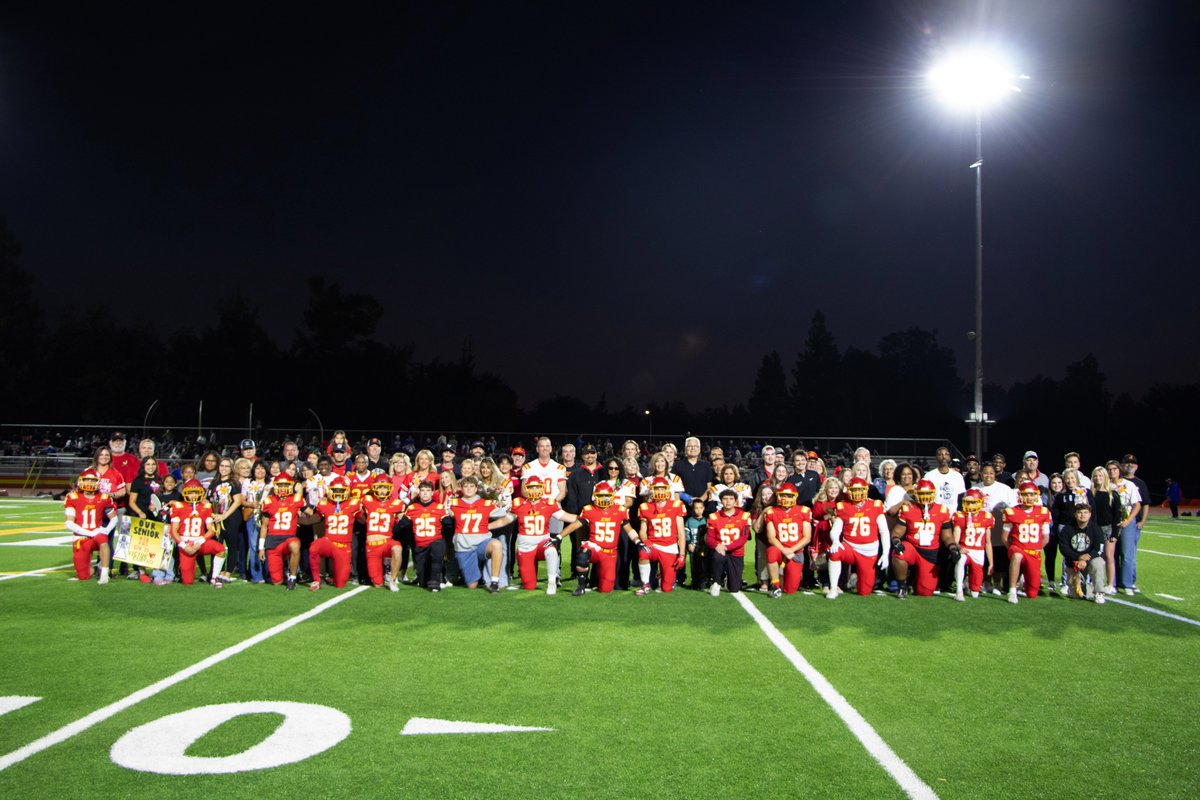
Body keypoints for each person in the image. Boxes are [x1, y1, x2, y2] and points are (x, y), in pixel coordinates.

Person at [561, 482, 636, 595]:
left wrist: (638, 541)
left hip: (610, 553)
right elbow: (576, 524)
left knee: (606, 589)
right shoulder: (590, 509)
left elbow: (629, 529)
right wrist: (559, 536)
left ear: (612, 496)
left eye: (606, 496)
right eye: (600, 496)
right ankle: (581, 586)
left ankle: (598, 582)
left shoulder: (620, 510)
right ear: (595, 496)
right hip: (595, 548)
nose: (603, 499)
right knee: (583, 553)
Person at [510, 477, 578, 594]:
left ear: (542, 488)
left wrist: (589, 517)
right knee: (529, 586)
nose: (534, 490)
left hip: (542, 543)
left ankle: (552, 582)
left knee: (551, 549)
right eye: (531, 487)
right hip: (525, 547)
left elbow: (568, 517)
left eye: (537, 487)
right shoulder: (519, 504)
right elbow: (505, 520)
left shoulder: (548, 503)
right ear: (526, 489)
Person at [826, 477, 888, 600]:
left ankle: (854, 581)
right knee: (835, 551)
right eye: (854, 490)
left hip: (869, 551)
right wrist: (836, 541)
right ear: (849, 491)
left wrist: (885, 553)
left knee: (865, 591)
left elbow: (884, 531)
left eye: (860, 490)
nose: (857, 493)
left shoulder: (875, 505)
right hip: (850, 547)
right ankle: (833, 588)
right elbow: (835, 529)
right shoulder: (843, 506)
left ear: (866, 490)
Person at [447, 476, 512, 592]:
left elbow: (507, 517)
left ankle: (494, 582)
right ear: (461, 488)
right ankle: (478, 576)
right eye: (465, 486)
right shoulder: (453, 504)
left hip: (482, 542)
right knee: (472, 586)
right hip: (464, 546)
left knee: (496, 545)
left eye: (472, 486)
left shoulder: (485, 504)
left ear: (476, 488)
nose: (468, 489)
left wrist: (488, 526)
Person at [890, 479, 952, 599]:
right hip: (912, 547)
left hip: (931, 553)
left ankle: (915, 581)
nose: (925, 497)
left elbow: (947, 535)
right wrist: (896, 541)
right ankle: (902, 587)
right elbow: (897, 531)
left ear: (933, 494)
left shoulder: (942, 510)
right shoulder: (909, 508)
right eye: (922, 494)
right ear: (916, 494)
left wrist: (952, 546)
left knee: (924, 592)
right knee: (899, 553)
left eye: (928, 494)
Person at [169, 479, 226, 588]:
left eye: (195, 492)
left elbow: (211, 529)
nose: (193, 495)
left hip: (200, 542)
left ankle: (215, 577)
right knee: (188, 581)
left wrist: (200, 542)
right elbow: (173, 530)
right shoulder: (178, 506)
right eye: (190, 492)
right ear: (185, 493)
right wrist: (184, 546)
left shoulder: (206, 507)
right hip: (185, 543)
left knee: (220, 549)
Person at [1002, 482, 1053, 604]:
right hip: (1018, 548)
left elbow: (1046, 538)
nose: (1029, 498)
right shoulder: (1012, 512)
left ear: (1037, 496)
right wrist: (1013, 549)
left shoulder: (1043, 512)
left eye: (1032, 494)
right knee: (1017, 556)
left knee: (1032, 593)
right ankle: (1012, 591)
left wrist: (1036, 549)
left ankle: (1025, 585)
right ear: (1020, 495)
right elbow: (1004, 537)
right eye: (1026, 495)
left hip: (1034, 552)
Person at [306, 475, 360, 590]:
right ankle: (316, 580)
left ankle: (335, 578)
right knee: (314, 547)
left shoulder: (354, 504)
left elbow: (363, 520)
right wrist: (296, 519)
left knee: (340, 584)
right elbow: (315, 518)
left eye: (341, 490)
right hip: (329, 542)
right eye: (335, 490)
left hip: (344, 547)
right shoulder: (325, 504)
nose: (338, 493)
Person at [635, 477, 687, 596]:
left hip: (670, 547)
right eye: (657, 488)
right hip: (653, 545)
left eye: (662, 488)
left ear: (667, 490)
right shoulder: (645, 507)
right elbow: (642, 530)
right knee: (643, 552)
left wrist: (682, 554)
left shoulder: (676, 505)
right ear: (651, 490)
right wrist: (645, 540)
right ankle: (645, 584)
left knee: (666, 588)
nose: (659, 491)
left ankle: (661, 575)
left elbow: (681, 532)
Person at [64, 469, 116, 583]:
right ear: (80, 481)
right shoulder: (73, 497)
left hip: (97, 534)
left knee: (103, 540)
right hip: (81, 537)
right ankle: (96, 568)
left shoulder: (103, 497)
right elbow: (69, 523)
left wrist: (106, 530)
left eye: (92, 480)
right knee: (84, 575)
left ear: (97, 482)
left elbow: (114, 518)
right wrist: (89, 533)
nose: (89, 483)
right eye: (86, 480)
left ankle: (104, 574)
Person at [763, 483, 813, 597]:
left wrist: (791, 550)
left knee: (790, 589)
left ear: (795, 496)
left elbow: (807, 537)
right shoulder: (772, 512)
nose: (786, 499)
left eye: (789, 496)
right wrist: (784, 550)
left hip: (796, 552)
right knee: (771, 552)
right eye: (783, 495)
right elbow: (771, 537)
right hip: (780, 550)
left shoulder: (804, 511)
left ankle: (783, 579)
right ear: (778, 496)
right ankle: (775, 585)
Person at [258, 473, 305, 589]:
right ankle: (284, 573)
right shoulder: (269, 501)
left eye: (286, 485)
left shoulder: (296, 499)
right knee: (277, 582)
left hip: (288, 538)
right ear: (275, 486)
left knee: (295, 545)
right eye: (280, 485)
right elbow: (264, 526)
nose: (283, 487)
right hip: (273, 541)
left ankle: (292, 577)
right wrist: (261, 547)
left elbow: (310, 513)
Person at [402, 480, 448, 591]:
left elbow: (448, 525)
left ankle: (436, 580)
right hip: (420, 547)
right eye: (422, 490)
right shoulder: (412, 508)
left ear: (432, 493)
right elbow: (402, 526)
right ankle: (429, 577)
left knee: (437, 547)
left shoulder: (439, 507)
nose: (425, 493)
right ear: (419, 492)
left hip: (435, 542)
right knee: (423, 582)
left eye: (428, 490)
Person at [362, 474, 405, 591]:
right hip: (371, 546)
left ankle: (393, 579)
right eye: (380, 487)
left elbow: (402, 520)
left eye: (385, 487)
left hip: (386, 542)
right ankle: (384, 574)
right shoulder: (367, 500)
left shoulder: (396, 504)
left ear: (390, 488)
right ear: (375, 488)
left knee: (397, 547)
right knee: (377, 584)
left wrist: (401, 517)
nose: (382, 490)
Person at [1058, 503, 1108, 603]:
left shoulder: (1096, 529)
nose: (1083, 515)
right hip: (1073, 563)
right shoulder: (1067, 529)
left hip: (1090, 560)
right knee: (1077, 595)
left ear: (1090, 514)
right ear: (1075, 515)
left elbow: (1099, 548)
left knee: (1098, 562)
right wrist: (1078, 557)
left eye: (1085, 512)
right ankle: (1085, 588)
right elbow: (1063, 549)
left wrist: (1087, 557)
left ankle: (1099, 593)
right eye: (1079, 512)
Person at [950, 489, 995, 600]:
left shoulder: (987, 517)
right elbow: (955, 540)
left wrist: (991, 562)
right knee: (961, 560)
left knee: (975, 593)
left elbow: (988, 542)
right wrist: (960, 548)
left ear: (980, 502)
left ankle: (970, 586)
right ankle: (959, 591)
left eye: (973, 502)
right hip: (965, 549)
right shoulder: (959, 515)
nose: (970, 505)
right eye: (967, 502)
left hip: (978, 552)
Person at [706, 489, 752, 596]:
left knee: (734, 589)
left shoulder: (744, 516)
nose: (728, 501)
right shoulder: (714, 517)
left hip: (736, 552)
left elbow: (743, 538)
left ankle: (729, 579)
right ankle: (717, 582)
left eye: (731, 499)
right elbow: (709, 538)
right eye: (725, 499)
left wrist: (726, 547)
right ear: (721, 501)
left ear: (735, 501)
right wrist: (717, 546)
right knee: (717, 557)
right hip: (720, 551)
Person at [1111, 456, 1145, 595]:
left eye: (1114, 469)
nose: (1112, 472)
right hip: (1111, 522)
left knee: (1126, 554)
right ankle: (1113, 582)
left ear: (1119, 470)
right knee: (1112, 553)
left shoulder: (1129, 485)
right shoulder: (1107, 485)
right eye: (1109, 469)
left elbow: (1137, 504)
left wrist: (1129, 520)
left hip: (1126, 522)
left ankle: (1127, 584)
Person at [207, 457, 244, 582]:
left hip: (231, 518)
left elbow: (237, 501)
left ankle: (228, 571)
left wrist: (224, 515)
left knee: (231, 545)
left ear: (231, 468)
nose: (224, 468)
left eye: (227, 466)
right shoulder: (214, 482)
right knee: (218, 545)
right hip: (216, 518)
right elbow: (209, 500)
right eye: (222, 465)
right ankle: (217, 571)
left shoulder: (234, 483)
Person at [1089, 466, 1124, 596]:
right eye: (1095, 476)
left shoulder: (1112, 494)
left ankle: (1110, 584)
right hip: (1094, 528)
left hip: (1108, 529)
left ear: (1105, 477)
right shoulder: (1090, 493)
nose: (1098, 478)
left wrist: (1115, 533)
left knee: (1109, 556)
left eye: (1100, 476)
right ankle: (1096, 583)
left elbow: (1117, 515)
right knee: (1095, 557)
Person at [240, 460, 269, 584]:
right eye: (257, 468)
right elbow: (242, 500)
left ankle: (268, 573)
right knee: (253, 545)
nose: (260, 471)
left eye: (263, 468)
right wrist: (251, 504)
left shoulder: (271, 483)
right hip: (252, 515)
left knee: (266, 545)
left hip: (267, 516)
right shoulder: (248, 482)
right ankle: (256, 575)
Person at [675, 436, 713, 505]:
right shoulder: (677, 465)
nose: (693, 448)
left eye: (695, 446)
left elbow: (709, 487)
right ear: (686, 449)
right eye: (690, 446)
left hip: (703, 506)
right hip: (684, 505)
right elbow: (674, 488)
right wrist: (688, 499)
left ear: (699, 449)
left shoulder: (706, 465)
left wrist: (700, 501)